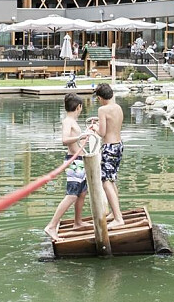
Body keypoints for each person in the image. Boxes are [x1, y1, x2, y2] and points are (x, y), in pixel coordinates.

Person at [44, 93, 90, 240]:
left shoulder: (73, 121)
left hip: (81, 161)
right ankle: (51, 226)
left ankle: (78, 222)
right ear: (79, 107)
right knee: (71, 195)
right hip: (74, 162)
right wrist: (80, 137)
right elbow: (64, 140)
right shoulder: (68, 121)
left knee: (82, 193)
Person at [91, 83, 125, 228]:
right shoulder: (117, 107)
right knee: (112, 180)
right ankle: (115, 213)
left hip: (109, 147)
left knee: (105, 181)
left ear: (100, 97)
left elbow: (102, 133)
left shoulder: (102, 109)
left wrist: (94, 127)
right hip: (119, 145)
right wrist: (100, 123)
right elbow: (112, 125)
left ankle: (118, 218)